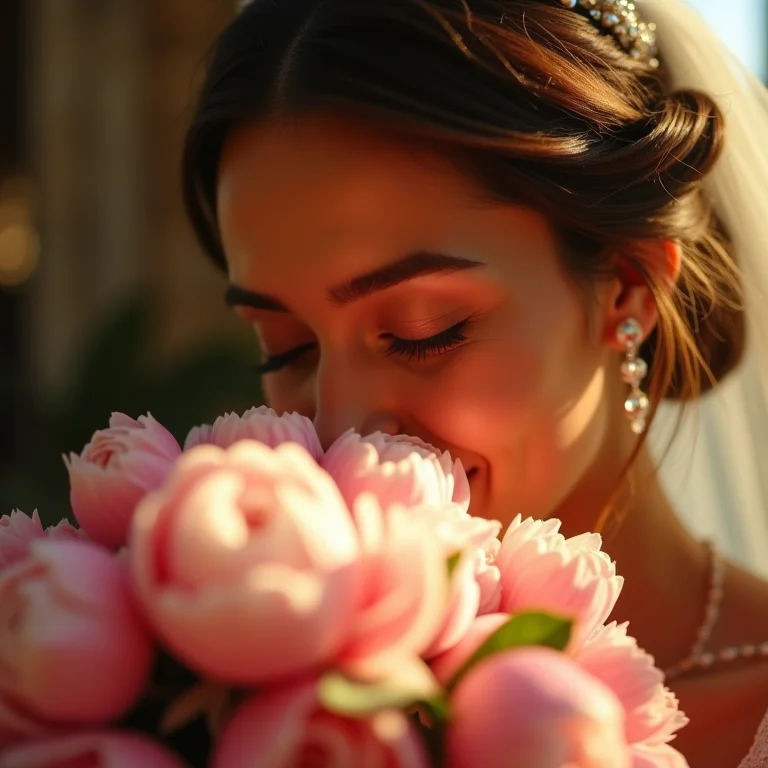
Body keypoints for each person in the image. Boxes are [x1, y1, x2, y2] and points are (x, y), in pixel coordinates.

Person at [180, 0, 768, 764]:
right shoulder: (247, 710)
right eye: (288, 350)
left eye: (425, 333)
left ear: (627, 286)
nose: (342, 428)